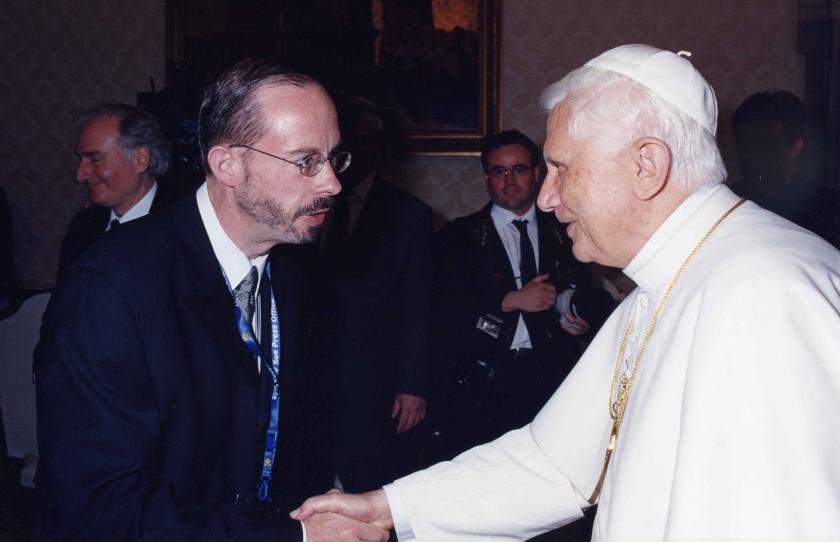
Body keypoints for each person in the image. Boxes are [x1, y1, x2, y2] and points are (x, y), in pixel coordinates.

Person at [292, 44, 840, 541]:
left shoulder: (763, 293)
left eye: (561, 168)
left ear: (645, 166)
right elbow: (553, 464)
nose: (546, 197)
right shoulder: (666, 284)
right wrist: (386, 507)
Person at [35, 59, 389, 542]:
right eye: (307, 161)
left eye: (333, 159)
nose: (332, 183)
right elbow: (102, 509)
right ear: (228, 165)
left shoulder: (292, 266)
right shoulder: (108, 288)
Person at [431, 129, 608, 461]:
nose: (509, 180)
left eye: (519, 170)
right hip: (481, 380)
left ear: (537, 173)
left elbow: (584, 292)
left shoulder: (566, 230)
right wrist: (509, 300)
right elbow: (440, 309)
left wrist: (578, 320)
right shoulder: (460, 236)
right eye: (499, 171)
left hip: (553, 378)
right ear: (486, 178)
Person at [318, 97, 433, 493]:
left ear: (378, 147)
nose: (351, 153)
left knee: (368, 481)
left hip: (375, 379)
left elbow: (419, 303)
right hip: (313, 373)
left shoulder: (408, 213)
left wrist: (413, 385)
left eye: (363, 141)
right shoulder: (311, 203)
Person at [56, 103, 178, 279]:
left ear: (140, 159)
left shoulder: (184, 225)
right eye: (81, 160)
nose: (80, 174)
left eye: (95, 159)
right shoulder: (82, 227)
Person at [732, 90, 840, 248]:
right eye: (744, 147)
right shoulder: (726, 202)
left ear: (796, 146)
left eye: (766, 148)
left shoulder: (830, 209)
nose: (753, 158)